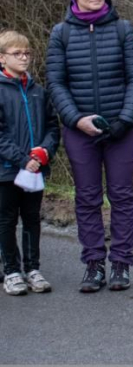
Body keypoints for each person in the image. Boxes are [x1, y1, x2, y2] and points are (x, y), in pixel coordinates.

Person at [46, 0, 133, 293]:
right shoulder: (60, 34)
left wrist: (124, 120)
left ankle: (121, 264)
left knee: (121, 196)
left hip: (120, 131)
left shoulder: (123, 29)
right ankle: (93, 264)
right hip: (79, 133)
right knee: (87, 198)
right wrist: (76, 119)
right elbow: (56, 83)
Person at [0, 30, 60, 295]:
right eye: (17, 53)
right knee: (6, 221)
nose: (24, 58)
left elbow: (52, 127)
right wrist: (24, 160)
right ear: (2, 58)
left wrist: (42, 154)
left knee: (32, 218)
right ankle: (11, 271)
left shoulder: (39, 91)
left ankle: (33, 268)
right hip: (7, 170)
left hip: (35, 169)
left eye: (27, 53)